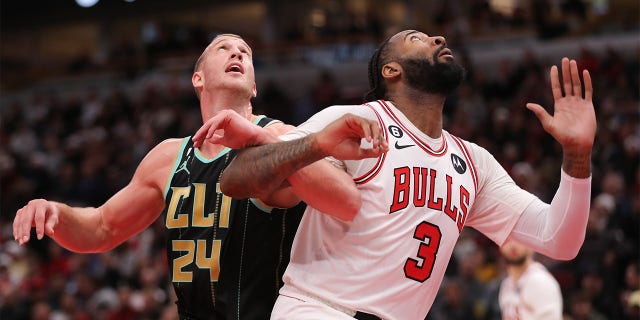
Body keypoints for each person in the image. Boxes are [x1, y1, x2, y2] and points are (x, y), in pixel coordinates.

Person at [195, 29, 596, 319]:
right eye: (417, 39)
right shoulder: (352, 121)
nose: (438, 40)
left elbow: (559, 240)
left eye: (435, 38)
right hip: (319, 309)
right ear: (391, 70)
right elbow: (237, 177)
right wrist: (317, 144)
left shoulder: (474, 163)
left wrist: (577, 156)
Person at [11, 33, 379, 320]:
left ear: (254, 87)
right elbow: (102, 228)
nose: (237, 54)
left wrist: (265, 141)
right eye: (224, 48)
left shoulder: (282, 136)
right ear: (197, 79)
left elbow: (345, 202)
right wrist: (56, 214)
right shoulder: (168, 156)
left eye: (245, 53)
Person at [498, 239, 563, 320]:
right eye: (507, 240)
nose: (513, 245)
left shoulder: (541, 281)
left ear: (532, 246)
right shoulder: (506, 284)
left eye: (519, 239)